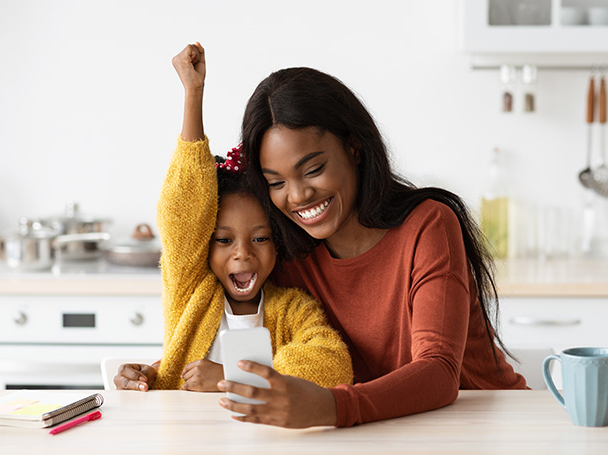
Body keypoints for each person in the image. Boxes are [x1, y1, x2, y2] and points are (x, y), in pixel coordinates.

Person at [214, 66, 528, 427]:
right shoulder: (287, 254)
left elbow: (439, 372)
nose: (298, 196)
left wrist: (331, 407)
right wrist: (162, 371)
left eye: (313, 169)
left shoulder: (429, 226)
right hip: (383, 432)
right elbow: (221, 314)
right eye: (276, 182)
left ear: (354, 148)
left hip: (488, 425)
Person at [113, 43, 352, 392]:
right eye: (224, 240)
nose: (242, 253)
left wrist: (231, 377)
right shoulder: (191, 292)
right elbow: (184, 211)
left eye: (260, 238)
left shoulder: (292, 309)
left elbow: (332, 364)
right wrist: (193, 94)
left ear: (278, 242)